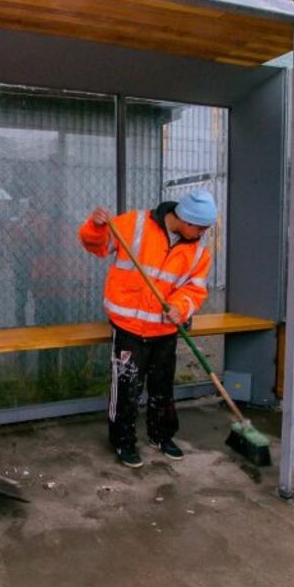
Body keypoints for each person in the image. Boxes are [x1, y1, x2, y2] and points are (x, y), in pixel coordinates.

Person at [78, 190, 215, 468]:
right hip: (128, 326)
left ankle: (161, 435)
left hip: (165, 330)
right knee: (127, 386)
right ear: (185, 219)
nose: (202, 233)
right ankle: (123, 441)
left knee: (162, 387)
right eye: (200, 227)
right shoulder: (135, 223)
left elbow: (195, 289)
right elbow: (97, 245)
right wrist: (95, 225)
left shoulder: (199, 251)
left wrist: (180, 306)